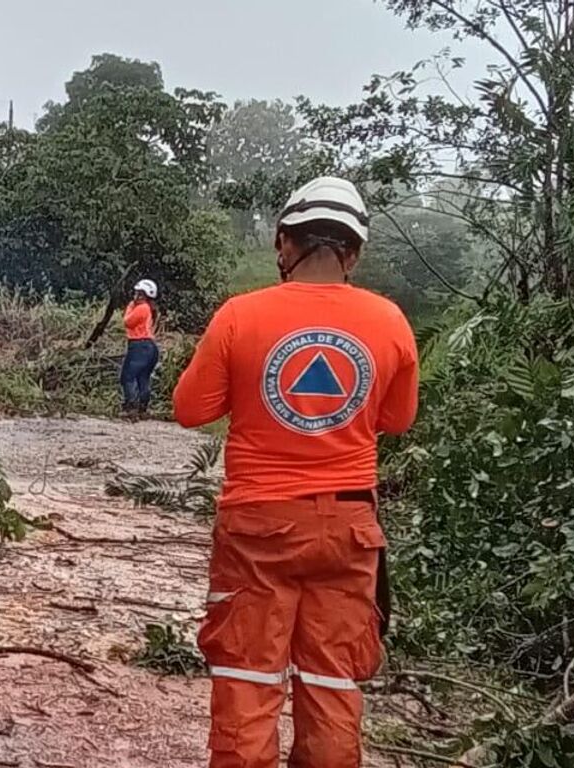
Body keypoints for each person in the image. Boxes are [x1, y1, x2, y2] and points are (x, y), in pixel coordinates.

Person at [171, 176, 420, 768]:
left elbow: (190, 410)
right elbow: (397, 419)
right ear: (353, 253)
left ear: (283, 242)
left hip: (259, 526)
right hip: (351, 528)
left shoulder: (241, 315)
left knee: (247, 679)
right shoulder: (390, 322)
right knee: (333, 682)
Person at [120, 279, 161, 417]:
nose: (136, 296)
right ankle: (143, 409)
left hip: (139, 346)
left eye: (139, 293)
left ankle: (131, 408)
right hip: (149, 347)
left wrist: (130, 307)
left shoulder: (141, 308)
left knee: (128, 377)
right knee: (143, 378)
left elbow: (128, 322)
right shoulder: (148, 308)